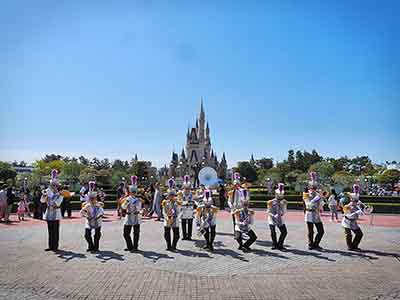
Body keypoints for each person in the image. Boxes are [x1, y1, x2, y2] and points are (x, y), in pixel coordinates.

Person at [342, 184, 373, 251]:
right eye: (355, 200)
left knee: (359, 234)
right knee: (348, 235)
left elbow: (365, 207)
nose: (356, 201)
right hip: (347, 221)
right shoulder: (347, 206)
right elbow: (347, 214)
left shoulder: (358, 203)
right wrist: (356, 212)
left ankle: (354, 246)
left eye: (357, 200)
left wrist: (366, 208)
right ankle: (350, 247)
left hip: (353, 222)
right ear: (351, 199)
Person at [40, 170, 64, 252]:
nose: (52, 186)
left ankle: (55, 246)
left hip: (56, 214)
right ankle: (50, 246)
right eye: (51, 185)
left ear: (57, 186)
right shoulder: (48, 193)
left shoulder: (60, 195)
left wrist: (51, 195)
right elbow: (42, 201)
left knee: (55, 231)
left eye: (54, 185)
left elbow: (56, 204)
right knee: (50, 231)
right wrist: (44, 196)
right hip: (49, 214)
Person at [80, 181, 104, 253]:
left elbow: (102, 212)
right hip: (89, 221)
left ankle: (96, 247)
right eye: (91, 198)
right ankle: (91, 246)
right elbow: (81, 213)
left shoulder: (98, 205)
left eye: (93, 198)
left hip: (97, 221)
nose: (92, 200)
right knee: (87, 235)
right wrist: (87, 216)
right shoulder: (87, 205)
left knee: (97, 234)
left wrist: (97, 217)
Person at [304, 172, 325, 250]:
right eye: (312, 187)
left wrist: (321, 199)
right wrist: (315, 199)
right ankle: (310, 244)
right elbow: (308, 203)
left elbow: (321, 204)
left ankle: (316, 243)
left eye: (315, 187)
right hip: (309, 213)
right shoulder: (306, 194)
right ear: (309, 187)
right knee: (310, 231)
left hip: (316, 214)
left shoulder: (317, 194)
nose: (313, 189)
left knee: (321, 231)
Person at [121, 176, 143, 252]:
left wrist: (137, 203)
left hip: (136, 216)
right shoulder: (127, 199)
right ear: (130, 192)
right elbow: (123, 207)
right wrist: (126, 202)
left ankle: (135, 246)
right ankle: (129, 246)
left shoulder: (138, 199)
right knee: (125, 233)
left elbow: (139, 208)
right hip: (129, 216)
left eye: (135, 191)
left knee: (136, 233)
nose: (133, 193)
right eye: (132, 191)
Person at [162, 178, 181, 251]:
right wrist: (166, 217)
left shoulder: (177, 203)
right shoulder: (165, 202)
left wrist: (176, 217)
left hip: (175, 219)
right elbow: (163, 211)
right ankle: (168, 246)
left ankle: (174, 246)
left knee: (176, 234)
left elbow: (180, 211)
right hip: (167, 219)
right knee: (167, 233)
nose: (172, 196)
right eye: (170, 195)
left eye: (173, 195)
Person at [267, 183, 288, 250]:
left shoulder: (283, 202)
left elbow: (284, 211)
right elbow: (268, 211)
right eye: (278, 195)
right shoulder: (271, 202)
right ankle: (274, 244)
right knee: (273, 231)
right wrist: (273, 216)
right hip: (271, 218)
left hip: (280, 218)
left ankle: (280, 244)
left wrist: (283, 206)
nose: (280, 196)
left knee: (284, 232)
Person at [179, 175, 195, 240]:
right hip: (183, 210)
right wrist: (184, 203)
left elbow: (192, 201)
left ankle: (189, 236)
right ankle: (184, 235)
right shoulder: (181, 193)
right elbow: (180, 201)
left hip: (190, 210)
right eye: (186, 188)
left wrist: (189, 202)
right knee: (183, 222)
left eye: (188, 188)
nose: (187, 189)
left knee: (190, 223)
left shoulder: (191, 194)